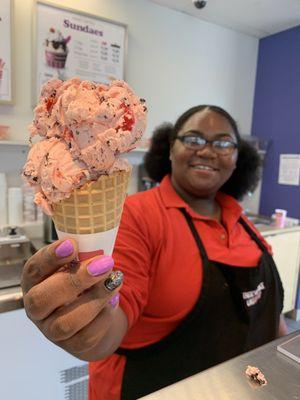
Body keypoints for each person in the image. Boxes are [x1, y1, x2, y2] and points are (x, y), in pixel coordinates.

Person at [21, 105, 288, 400]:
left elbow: (269, 316)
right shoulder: (137, 216)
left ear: (238, 158)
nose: (208, 151)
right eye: (193, 139)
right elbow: (111, 324)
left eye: (224, 143)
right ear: (169, 149)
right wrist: (85, 329)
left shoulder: (244, 223)